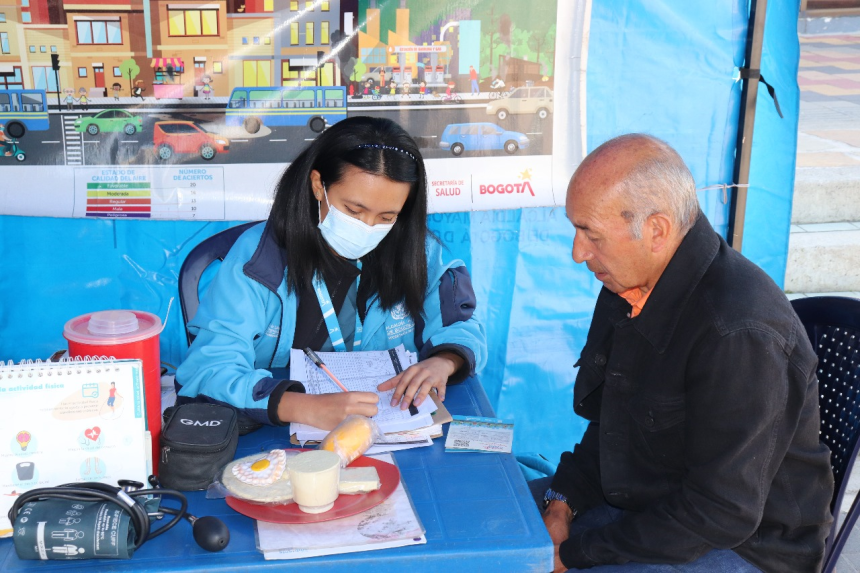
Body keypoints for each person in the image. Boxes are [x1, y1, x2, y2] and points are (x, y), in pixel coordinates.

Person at [537, 133, 834, 572]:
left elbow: (721, 511)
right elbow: (612, 427)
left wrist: (576, 554)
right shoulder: (630, 281)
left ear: (656, 230)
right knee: (502, 526)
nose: (579, 252)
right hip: (650, 500)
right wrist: (561, 505)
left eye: (591, 234)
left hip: (744, 546)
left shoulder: (738, 330)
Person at [174, 116, 486, 431]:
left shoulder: (419, 253)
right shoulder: (259, 260)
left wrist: (444, 361)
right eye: (354, 210)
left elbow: (462, 327)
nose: (368, 227)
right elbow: (207, 369)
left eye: (387, 216)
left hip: (387, 426)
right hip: (276, 433)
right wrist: (299, 406)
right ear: (318, 186)